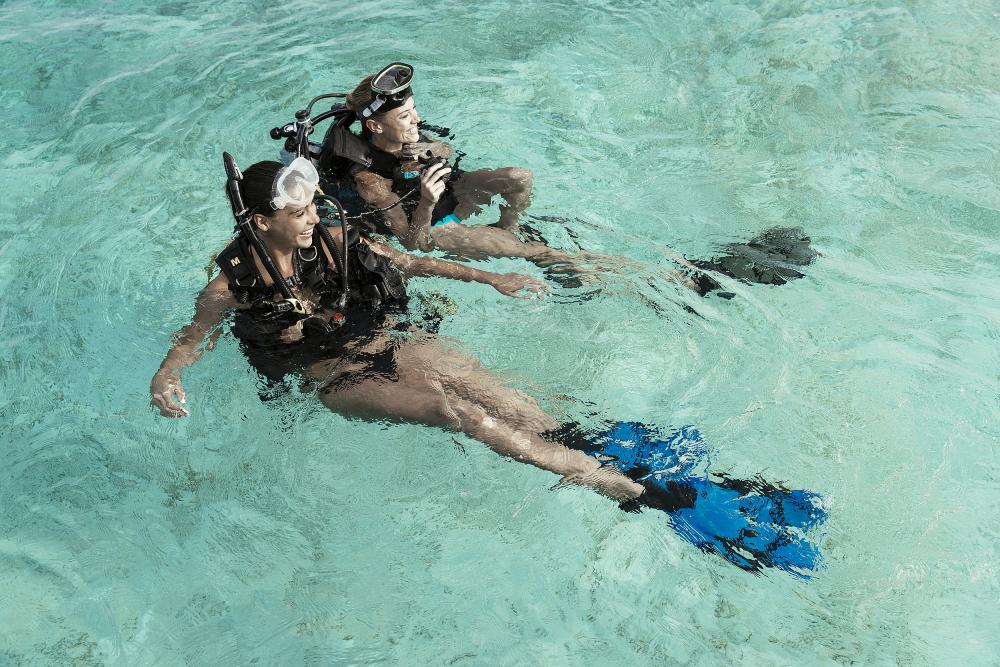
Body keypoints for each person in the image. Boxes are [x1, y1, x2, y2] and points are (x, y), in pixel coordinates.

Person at [150, 154, 827, 577]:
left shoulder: (330, 235)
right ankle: (625, 490)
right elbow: (193, 337)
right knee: (457, 410)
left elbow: (408, 261)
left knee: (524, 408)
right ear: (261, 222)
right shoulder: (229, 283)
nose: (309, 214)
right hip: (333, 378)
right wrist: (167, 375)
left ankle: (659, 472)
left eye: (307, 205)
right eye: (294, 210)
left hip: (388, 338)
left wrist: (489, 279)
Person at [329, 63, 588, 270]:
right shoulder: (370, 181)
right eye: (405, 117)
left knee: (520, 178)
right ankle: (572, 265)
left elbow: (445, 148)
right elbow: (411, 243)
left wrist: (434, 149)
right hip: (435, 225)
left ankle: (509, 227)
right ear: (375, 126)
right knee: (527, 250)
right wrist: (427, 202)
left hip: (454, 192)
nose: (416, 120)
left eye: (414, 110)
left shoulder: (412, 136)